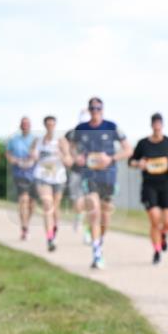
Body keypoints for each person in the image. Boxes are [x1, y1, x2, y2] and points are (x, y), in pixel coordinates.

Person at [69, 97, 132, 269]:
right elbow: (69, 145)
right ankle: (96, 254)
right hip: (89, 176)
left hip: (108, 176)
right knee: (94, 211)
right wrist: (76, 157)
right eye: (92, 108)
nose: (95, 111)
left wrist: (111, 158)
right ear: (89, 110)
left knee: (105, 216)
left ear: (102, 110)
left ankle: (99, 241)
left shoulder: (112, 127)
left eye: (98, 108)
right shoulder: (81, 129)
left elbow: (128, 150)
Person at [130, 113, 168, 264]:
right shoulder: (143, 143)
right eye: (154, 123)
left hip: (165, 185)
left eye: (159, 123)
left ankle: (164, 234)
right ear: (151, 125)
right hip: (149, 186)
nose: (157, 126)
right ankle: (157, 250)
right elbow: (131, 161)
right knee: (155, 219)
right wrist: (139, 163)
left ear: (162, 125)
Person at [32, 116, 72, 251]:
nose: (50, 127)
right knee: (47, 205)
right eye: (48, 124)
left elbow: (69, 161)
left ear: (55, 126)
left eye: (52, 124)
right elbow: (32, 155)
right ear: (44, 125)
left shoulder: (61, 141)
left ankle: (54, 230)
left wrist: (62, 155)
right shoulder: (38, 141)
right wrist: (33, 156)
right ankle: (49, 238)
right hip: (42, 177)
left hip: (58, 178)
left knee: (55, 207)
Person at [5, 116, 37, 240]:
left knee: (32, 204)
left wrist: (33, 158)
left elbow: (39, 154)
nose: (25, 126)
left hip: (34, 174)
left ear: (30, 126)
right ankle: (24, 228)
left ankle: (27, 223)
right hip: (19, 173)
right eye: (23, 124)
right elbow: (8, 153)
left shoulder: (35, 140)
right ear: (20, 125)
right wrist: (14, 160)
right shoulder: (14, 140)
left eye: (27, 124)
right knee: (23, 199)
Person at [65, 110, 92, 243]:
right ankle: (78, 215)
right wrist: (74, 157)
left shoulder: (95, 134)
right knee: (77, 201)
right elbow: (66, 148)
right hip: (76, 171)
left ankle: (88, 232)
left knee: (90, 202)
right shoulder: (72, 134)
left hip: (91, 172)